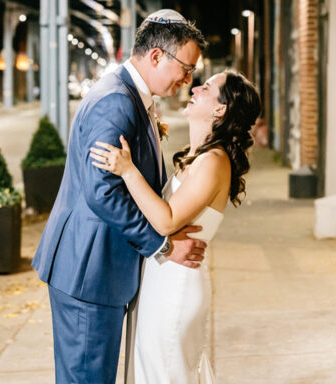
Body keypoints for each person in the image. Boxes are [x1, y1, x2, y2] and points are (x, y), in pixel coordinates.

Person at [32, 9, 208, 383]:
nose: (189, 79)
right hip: (88, 270)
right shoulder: (116, 100)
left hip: (99, 268)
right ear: (157, 55)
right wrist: (162, 246)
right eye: (186, 68)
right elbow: (101, 192)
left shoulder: (130, 94)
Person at [90, 69, 261, 382]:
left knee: (164, 371)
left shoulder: (213, 161)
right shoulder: (199, 157)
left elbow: (166, 219)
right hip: (161, 276)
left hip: (176, 285)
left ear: (220, 109)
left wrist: (128, 171)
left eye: (206, 88)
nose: (195, 89)